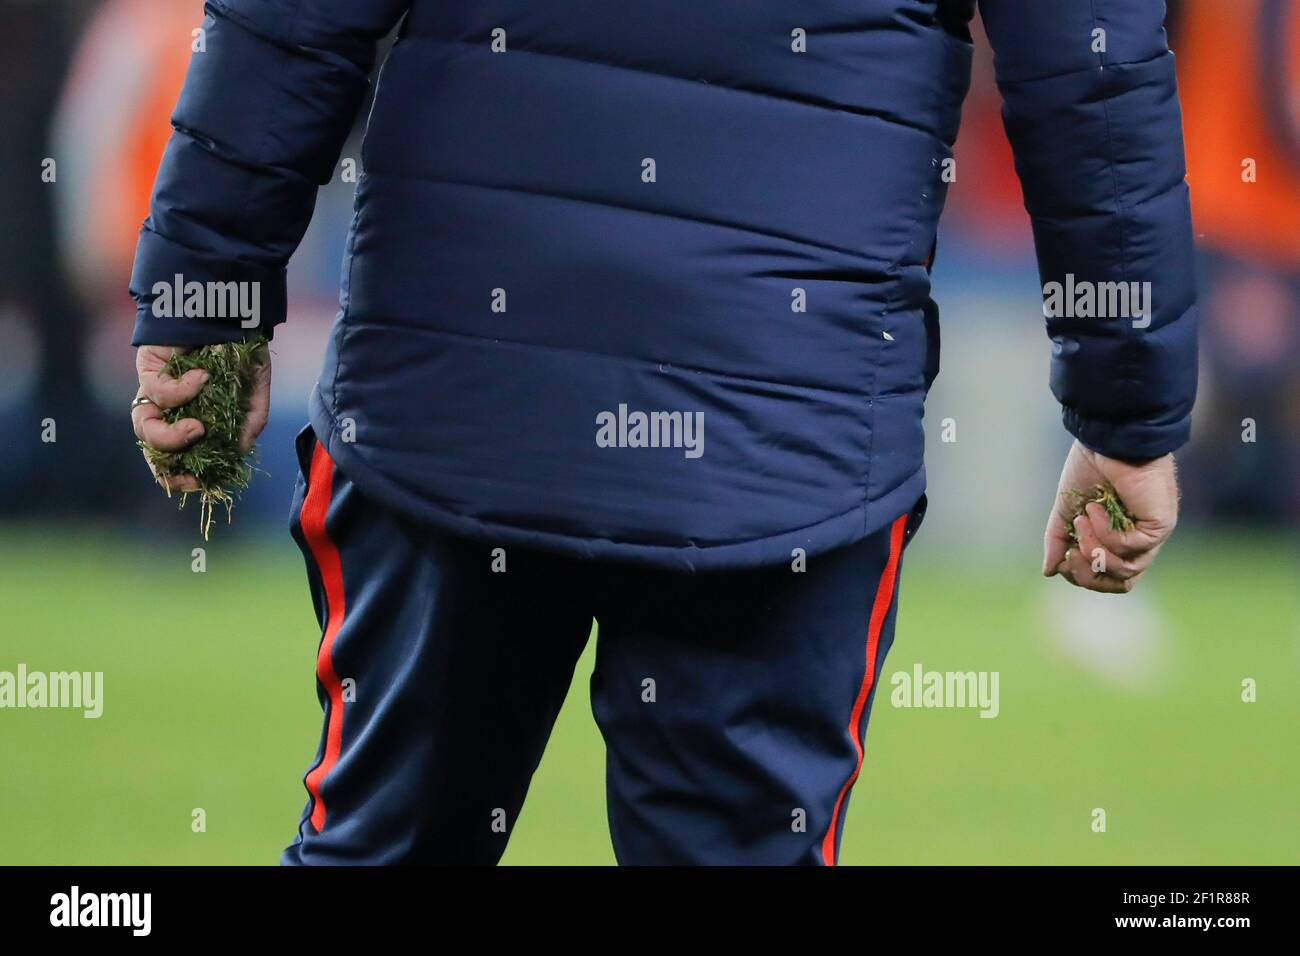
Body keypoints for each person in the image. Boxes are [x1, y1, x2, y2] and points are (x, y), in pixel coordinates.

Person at [127, 0, 1196, 865]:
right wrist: (1126, 407)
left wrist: (205, 284)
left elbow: (291, 19)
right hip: (780, 424)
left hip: (460, 382)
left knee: (387, 848)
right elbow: (1090, 74)